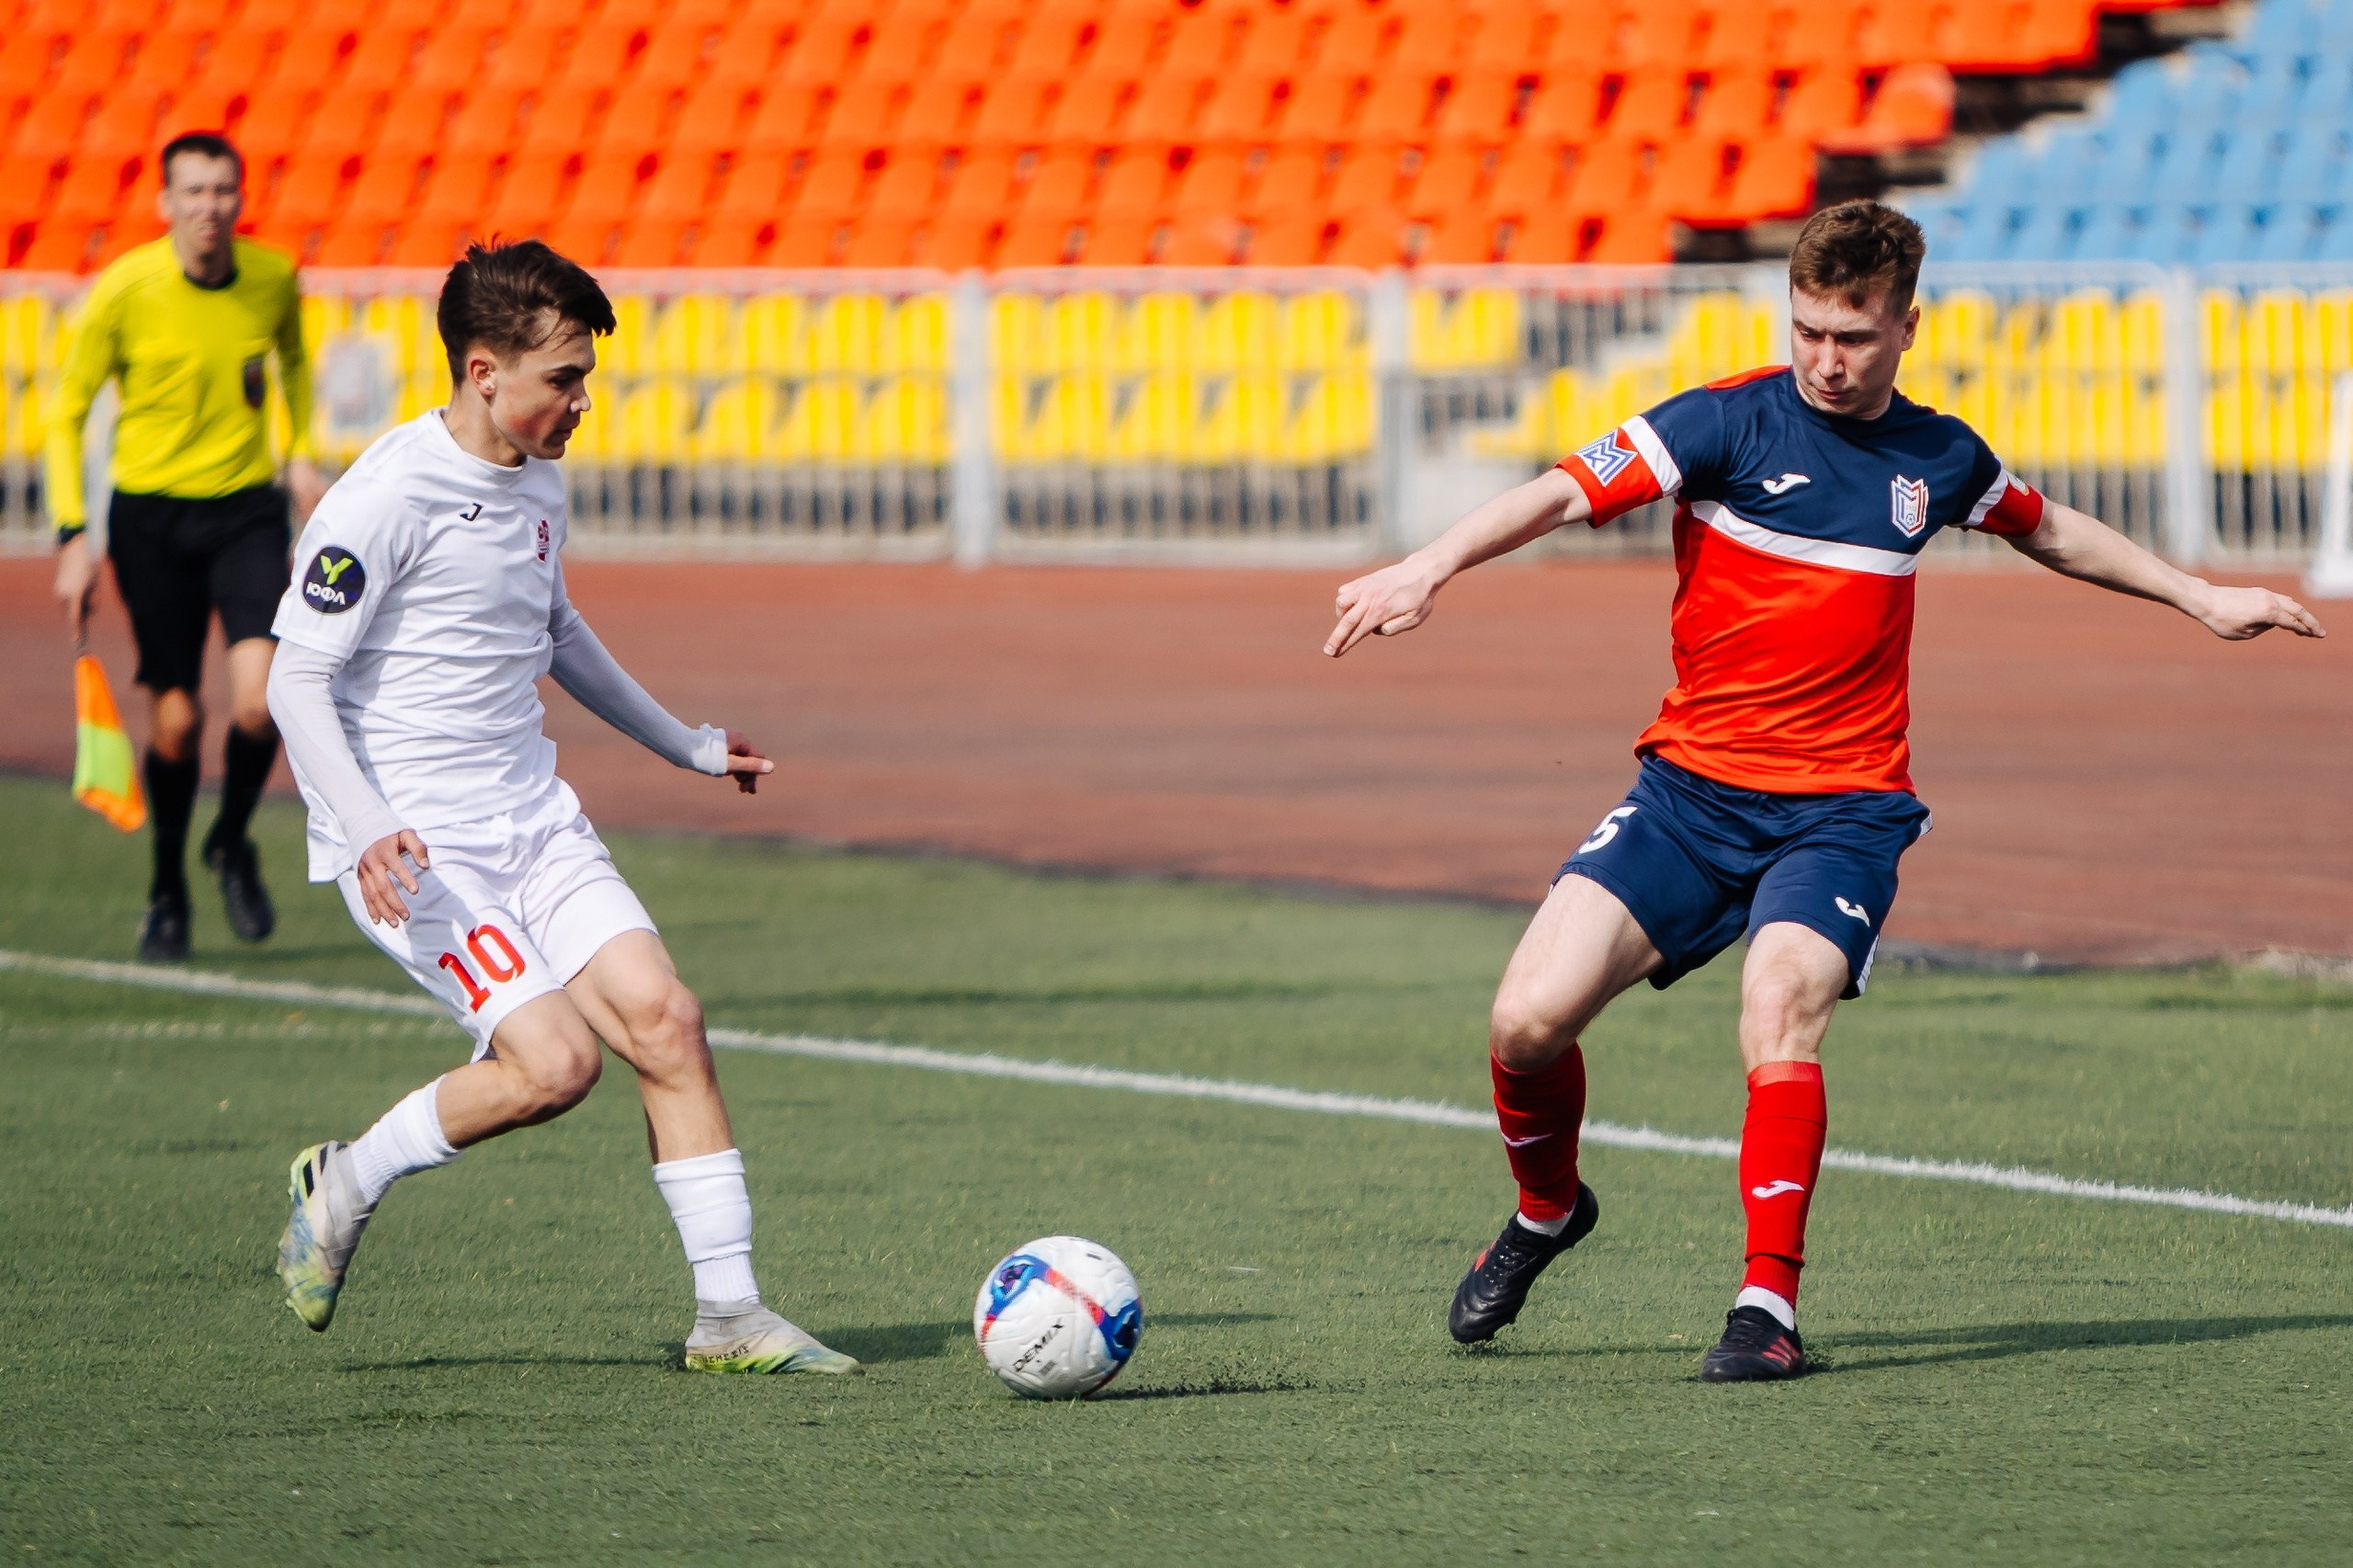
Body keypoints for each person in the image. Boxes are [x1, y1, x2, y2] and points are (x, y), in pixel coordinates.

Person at [1323, 201, 2324, 1382]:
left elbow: (2047, 526)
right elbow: (1554, 492)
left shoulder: (1937, 455)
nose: (1824, 360)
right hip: (1690, 794)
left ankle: (1765, 1308)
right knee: (1524, 1023)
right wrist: (1428, 563)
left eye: (1850, 336)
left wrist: (2199, 594)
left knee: (1780, 1001)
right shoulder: (1721, 422)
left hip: (1843, 806)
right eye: (1806, 331)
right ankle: (1546, 1211)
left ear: (1906, 324)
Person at [265, 240, 858, 1376]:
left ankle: (729, 1318)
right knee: (554, 1066)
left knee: (666, 1020)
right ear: (483, 371)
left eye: (585, 378)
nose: (582, 401)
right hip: (416, 848)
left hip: (533, 820)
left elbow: (557, 631)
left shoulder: (538, 475)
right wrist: (367, 821)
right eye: (563, 379)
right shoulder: (383, 496)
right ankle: (345, 1179)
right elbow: (296, 678)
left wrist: (683, 743)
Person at [48, 131, 326, 962]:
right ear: (165, 203)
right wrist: (72, 535)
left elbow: (295, 361)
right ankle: (166, 885)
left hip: (245, 510)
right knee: (175, 720)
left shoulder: (273, 277)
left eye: (223, 191)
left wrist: (301, 447)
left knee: (263, 697)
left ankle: (230, 839)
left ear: (242, 200)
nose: (210, 206)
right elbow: (64, 411)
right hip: (151, 521)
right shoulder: (126, 290)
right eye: (194, 192)